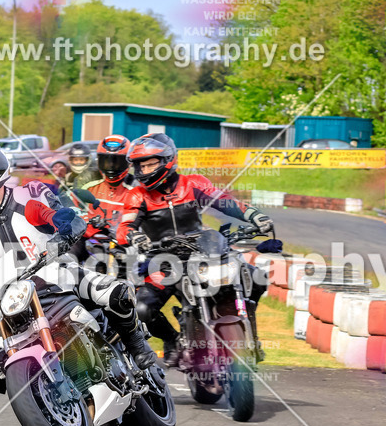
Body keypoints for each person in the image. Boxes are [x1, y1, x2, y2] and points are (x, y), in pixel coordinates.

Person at [0, 143, 157, 374]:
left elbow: (60, 217)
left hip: (59, 272)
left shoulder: (28, 195)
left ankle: (137, 346)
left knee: (118, 294)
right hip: (17, 293)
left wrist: (64, 230)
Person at [116, 133, 273, 365]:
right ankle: (171, 340)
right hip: (165, 260)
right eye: (141, 165)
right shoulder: (137, 195)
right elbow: (125, 227)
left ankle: (252, 337)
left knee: (257, 277)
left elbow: (226, 202)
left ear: (168, 160)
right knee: (142, 307)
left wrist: (254, 216)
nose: (145, 170)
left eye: (151, 163)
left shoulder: (193, 183)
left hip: (205, 252)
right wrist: (136, 236)